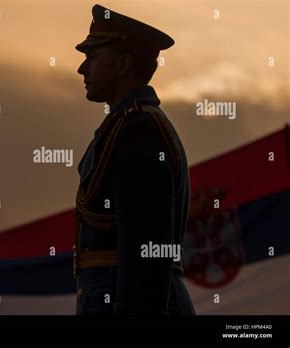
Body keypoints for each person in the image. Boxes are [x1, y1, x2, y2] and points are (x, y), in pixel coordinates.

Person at [73, 4, 195, 315]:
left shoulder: (139, 129)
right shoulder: (125, 126)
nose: (82, 69)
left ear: (124, 64)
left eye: (92, 57)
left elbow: (147, 250)